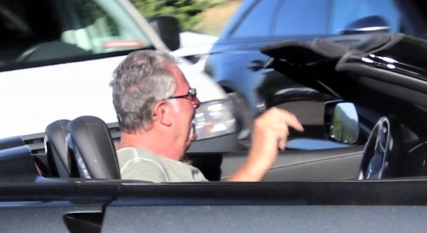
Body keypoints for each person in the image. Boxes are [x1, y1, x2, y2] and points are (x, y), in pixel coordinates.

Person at [110, 49, 301, 182]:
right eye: (189, 96)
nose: (197, 102)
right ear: (163, 113)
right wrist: (258, 160)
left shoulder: (150, 164)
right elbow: (192, 229)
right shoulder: (141, 170)